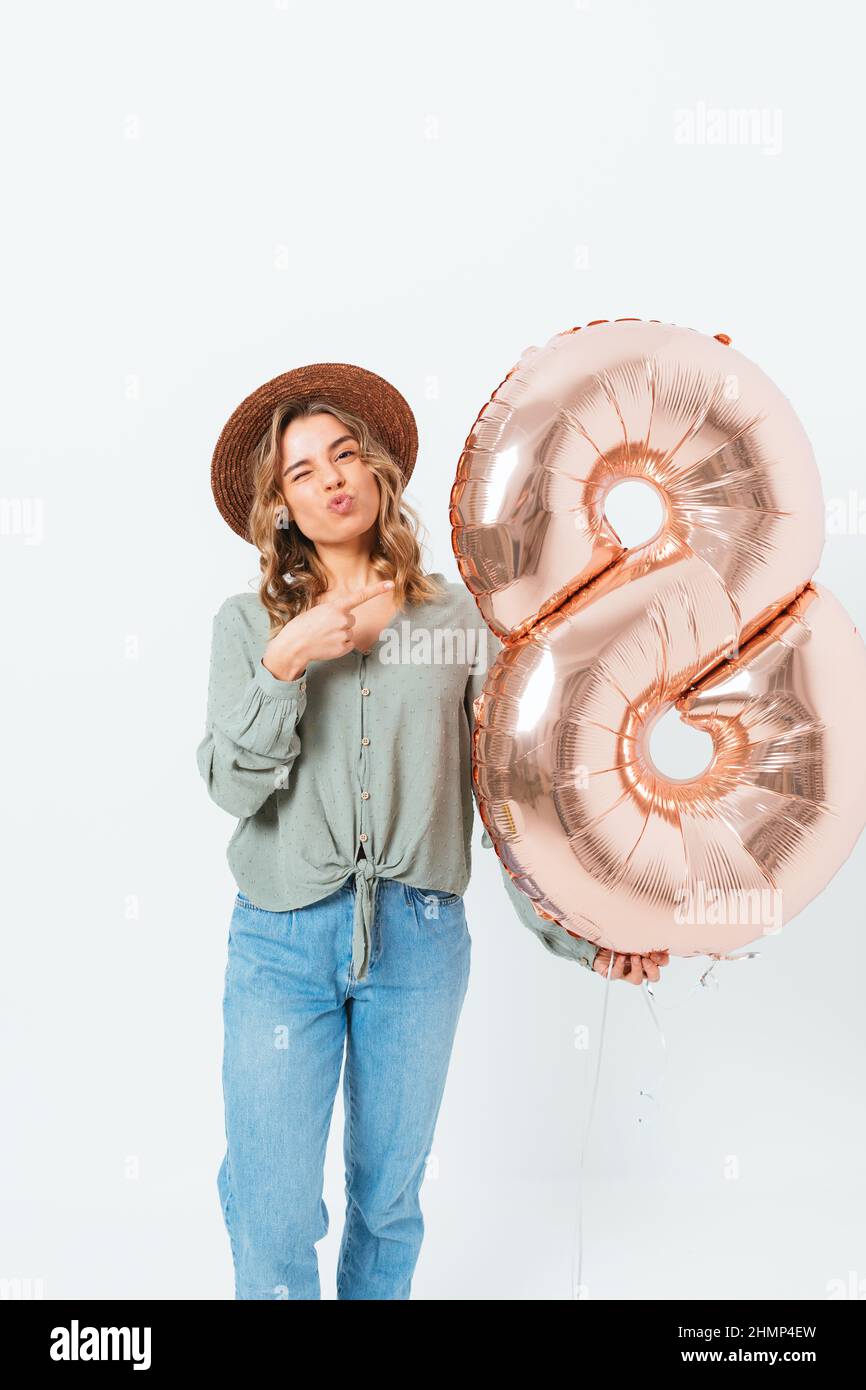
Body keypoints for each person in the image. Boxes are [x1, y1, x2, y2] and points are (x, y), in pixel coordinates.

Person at [196, 362, 669, 1300]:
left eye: (344, 455)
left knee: (388, 1203)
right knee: (272, 1207)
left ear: (376, 471)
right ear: (280, 506)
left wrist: (586, 932)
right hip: (279, 943)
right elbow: (231, 786)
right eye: (301, 472)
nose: (331, 478)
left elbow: (505, 802)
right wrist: (286, 663)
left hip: (417, 940)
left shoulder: (456, 618)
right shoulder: (249, 624)